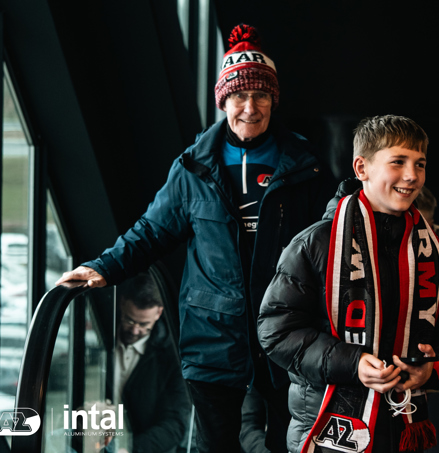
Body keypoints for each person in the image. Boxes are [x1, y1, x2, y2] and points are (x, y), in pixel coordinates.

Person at [56, 23, 335, 453]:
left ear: (273, 100)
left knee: (292, 443)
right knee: (214, 446)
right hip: (213, 341)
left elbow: (332, 242)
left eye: (261, 95)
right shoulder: (192, 167)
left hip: (288, 334)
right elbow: (152, 231)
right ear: (223, 101)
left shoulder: (305, 165)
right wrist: (103, 267)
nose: (250, 107)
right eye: (239, 96)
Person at [257, 115, 439, 452]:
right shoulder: (315, 243)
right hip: (328, 434)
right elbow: (276, 331)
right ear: (362, 168)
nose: (412, 175)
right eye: (398, 162)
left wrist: (433, 367)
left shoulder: (433, 249)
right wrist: (352, 363)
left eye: (420, 164)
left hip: (403, 430)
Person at [112, 273, 188, 453]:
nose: (135, 330)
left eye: (143, 324)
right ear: (122, 303)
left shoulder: (173, 358)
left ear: (159, 313)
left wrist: (130, 449)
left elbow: (175, 425)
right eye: (130, 320)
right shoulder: (101, 333)